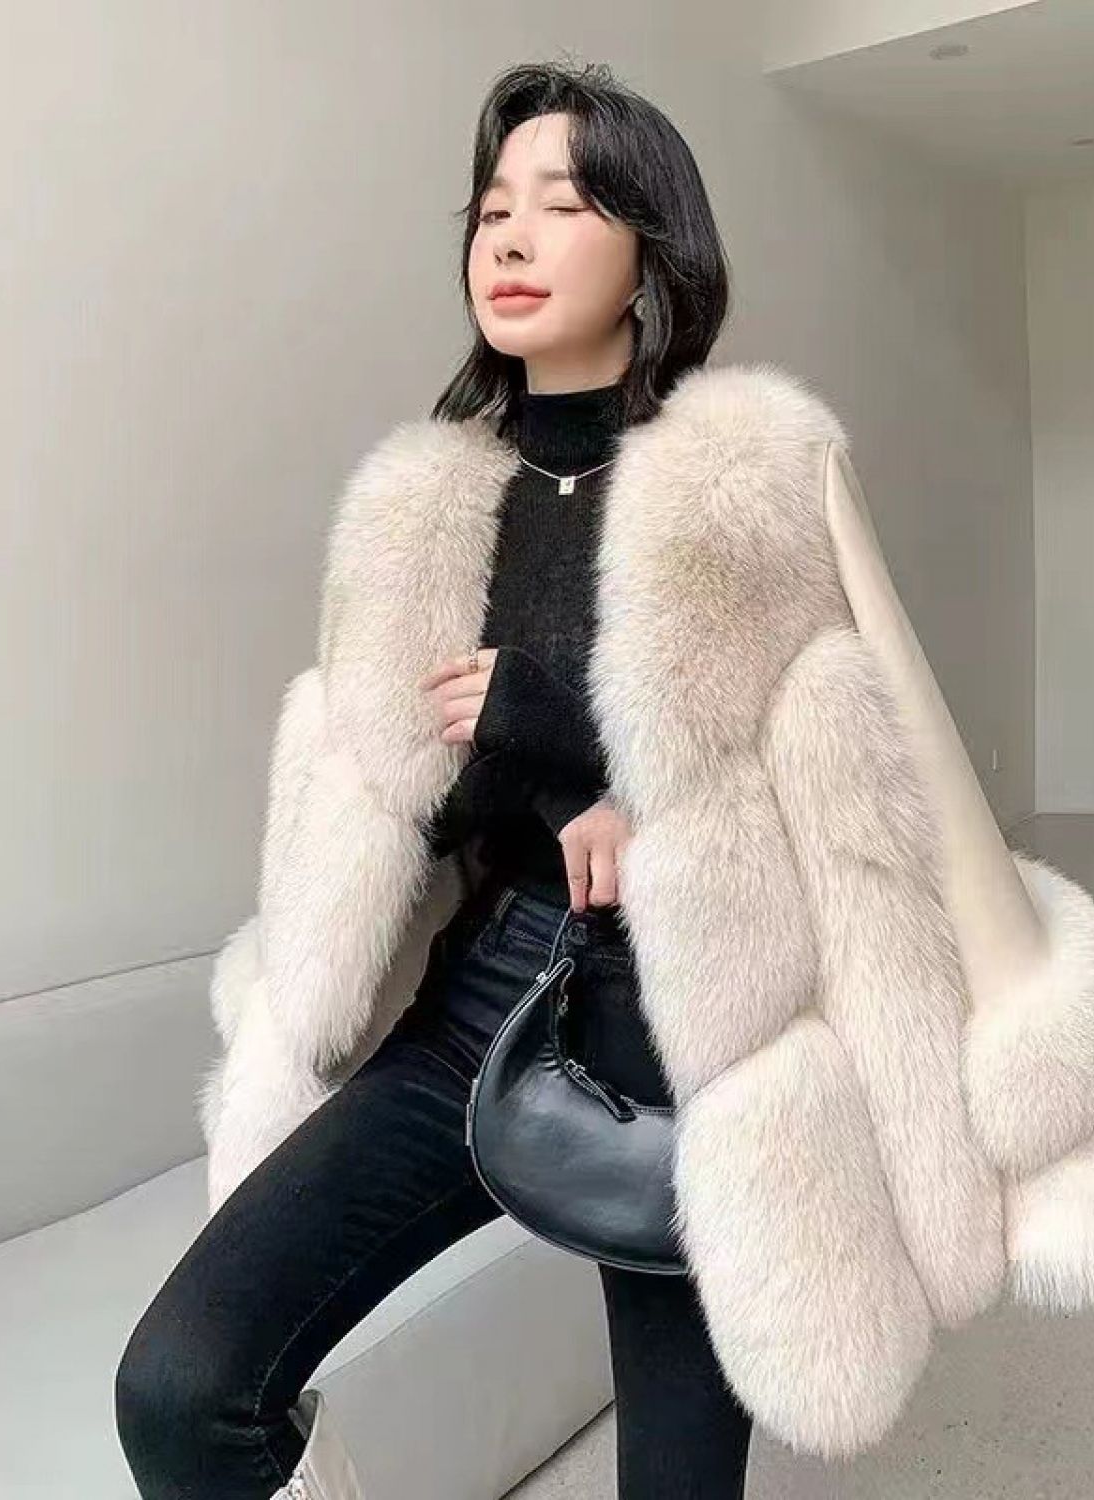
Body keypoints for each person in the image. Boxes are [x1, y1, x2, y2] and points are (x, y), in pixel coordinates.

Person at [116, 60, 756, 1499]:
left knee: (679, 1483)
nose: (512, 238)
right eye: (491, 209)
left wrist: (572, 735)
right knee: (183, 1386)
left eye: (564, 205)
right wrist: (549, 775)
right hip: (486, 995)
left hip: (695, 1025)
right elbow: (393, 783)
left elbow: (832, 780)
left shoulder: (739, 485)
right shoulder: (417, 510)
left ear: (653, 248)